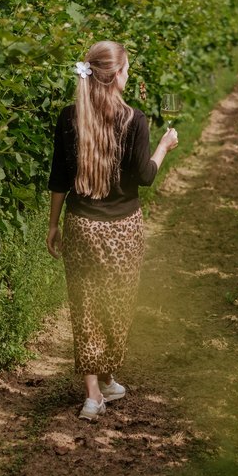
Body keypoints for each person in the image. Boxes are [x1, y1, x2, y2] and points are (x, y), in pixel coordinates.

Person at [46, 40, 179, 421]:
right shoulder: (134, 120)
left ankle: (95, 392)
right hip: (123, 229)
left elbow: (59, 178)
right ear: (115, 76)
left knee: (84, 303)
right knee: (116, 305)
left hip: (82, 226)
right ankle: (104, 378)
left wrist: (53, 224)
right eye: (126, 69)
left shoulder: (69, 117)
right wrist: (165, 147)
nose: (128, 75)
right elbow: (146, 177)